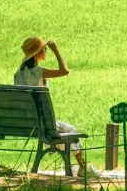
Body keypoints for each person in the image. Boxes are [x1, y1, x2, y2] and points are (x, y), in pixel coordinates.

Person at [14, 36, 88, 172]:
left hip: (27, 122)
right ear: (38, 53)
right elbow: (65, 71)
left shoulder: (18, 74)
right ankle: (82, 167)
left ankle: (71, 165)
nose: (46, 51)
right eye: (45, 49)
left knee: (61, 131)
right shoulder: (40, 72)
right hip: (43, 123)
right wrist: (56, 50)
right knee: (71, 130)